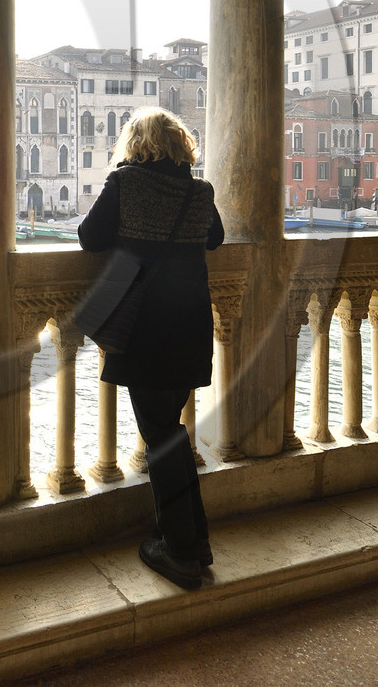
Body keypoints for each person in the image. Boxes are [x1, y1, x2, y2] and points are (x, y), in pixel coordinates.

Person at [77, 106, 224, 591]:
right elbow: (217, 238)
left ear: (136, 143)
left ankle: (180, 552)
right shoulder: (199, 191)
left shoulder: (126, 183)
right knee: (169, 431)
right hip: (190, 327)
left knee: (161, 436)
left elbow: (89, 238)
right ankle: (195, 542)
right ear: (180, 143)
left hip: (144, 329)